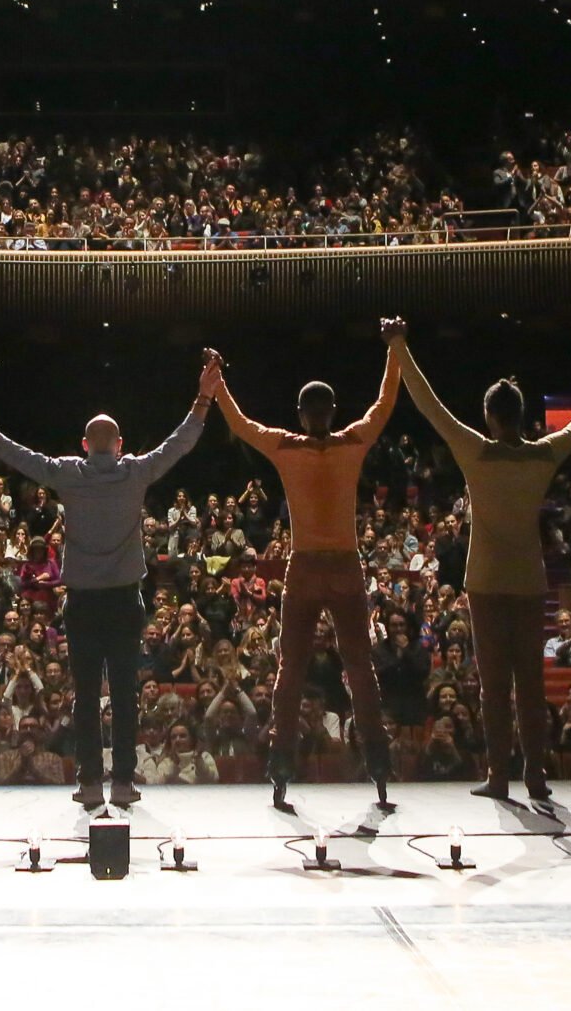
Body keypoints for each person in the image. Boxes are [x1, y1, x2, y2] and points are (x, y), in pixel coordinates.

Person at [0, 352, 220, 810]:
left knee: (85, 696)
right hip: (124, 603)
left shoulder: (68, 473)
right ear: (118, 444)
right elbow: (181, 442)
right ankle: (122, 782)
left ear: (85, 444)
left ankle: (88, 783)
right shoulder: (136, 471)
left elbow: (19, 457)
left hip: (82, 604)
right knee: (123, 694)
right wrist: (203, 397)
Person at [388, 323, 571, 803]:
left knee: (493, 687)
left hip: (486, 581)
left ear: (490, 417)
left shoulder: (475, 451)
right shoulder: (543, 454)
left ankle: (499, 777)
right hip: (528, 580)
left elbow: (429, 404)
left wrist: (399, 347)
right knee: (530, 685)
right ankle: (534, 776)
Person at [211, 324, 403, 811]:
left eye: (318, 412)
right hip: (338, 565)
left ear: (309, 413)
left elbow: (240, 425)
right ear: (322, 412)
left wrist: (217, 384)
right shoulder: (347, 442)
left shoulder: (290, 445)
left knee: (296, 670)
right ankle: (373, 766)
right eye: (318, 412)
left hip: (315, 566)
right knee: (351, 669)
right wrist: (395, 350)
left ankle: (289, 766)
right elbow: (383, 405)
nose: (317, 418)